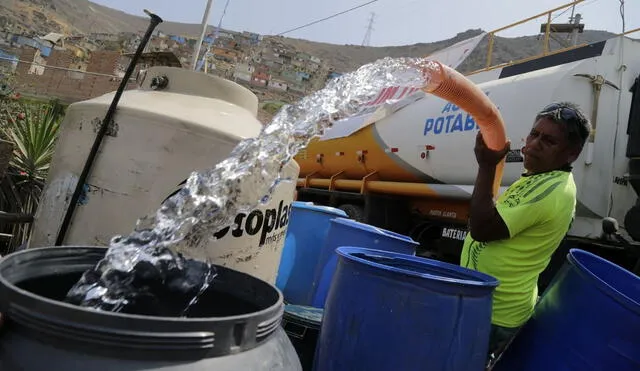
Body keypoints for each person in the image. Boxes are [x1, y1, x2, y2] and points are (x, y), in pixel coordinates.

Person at [460, 102, 591, 360]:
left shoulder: (552, 190)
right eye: (534, 135)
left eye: (549, 141)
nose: (533, 144)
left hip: (495, 313)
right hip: (483, 304)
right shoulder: (538, 176)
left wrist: (486, 166)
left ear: (572, 153)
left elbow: (482, 228)